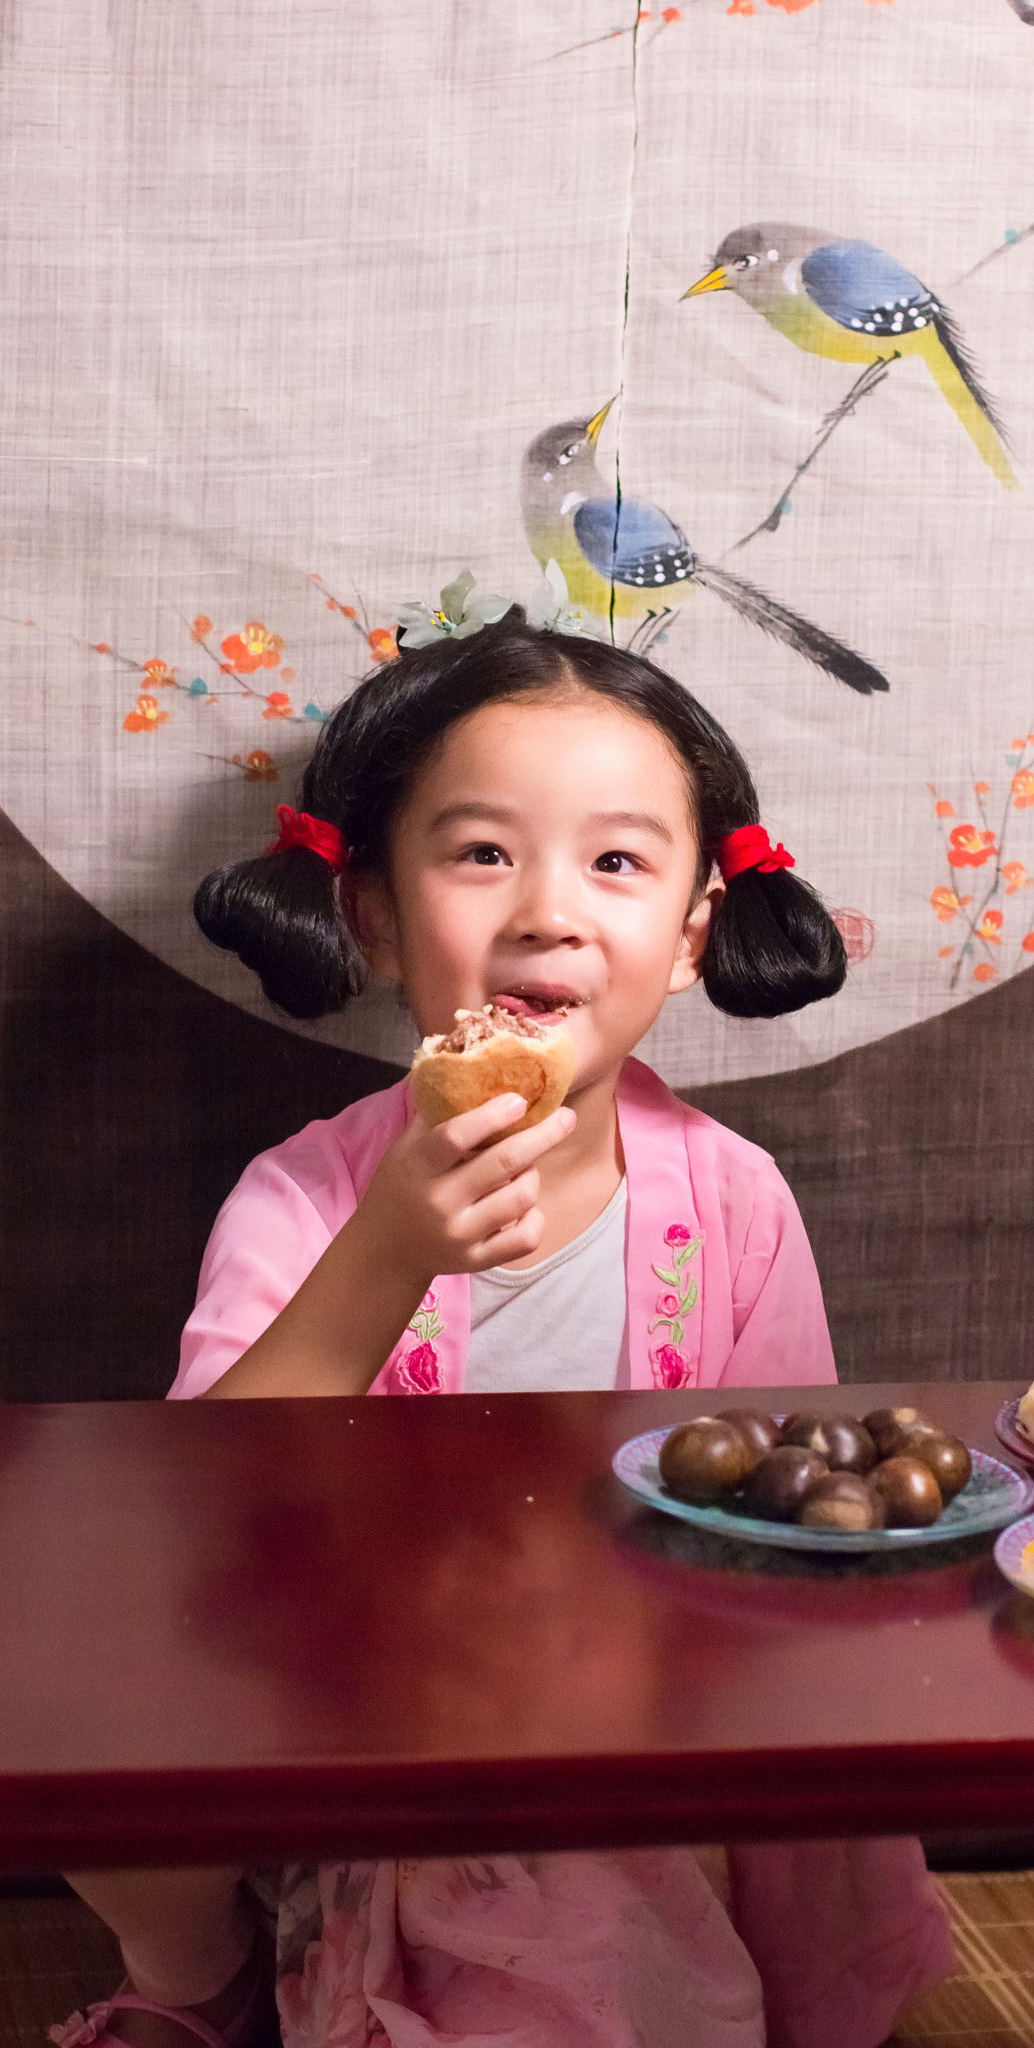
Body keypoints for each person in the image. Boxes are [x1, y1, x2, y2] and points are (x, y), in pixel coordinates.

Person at [53, 610, 952, 2048]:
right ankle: (195, 1973)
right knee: (83, 1709)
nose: (546, 910)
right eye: (481, 853)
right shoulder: (304, 1194)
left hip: (636, 1715)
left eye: (615, 862)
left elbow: (795, 1519)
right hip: (343, 1704)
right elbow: (196, 1511)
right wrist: (391, 1251)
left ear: (686, 934)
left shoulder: (730, 1204)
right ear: (372, 916)